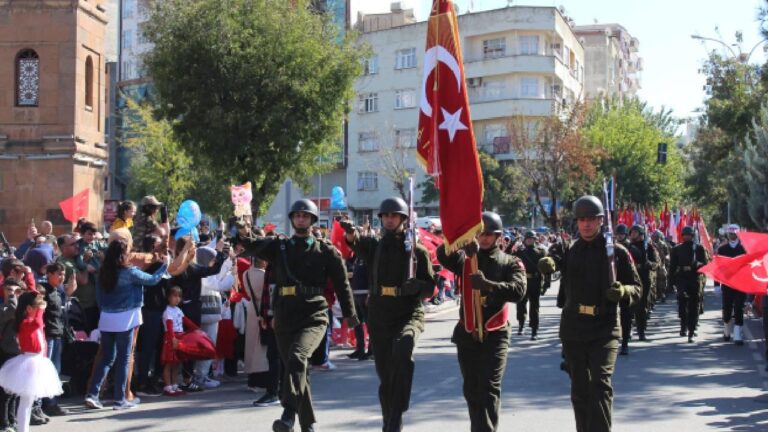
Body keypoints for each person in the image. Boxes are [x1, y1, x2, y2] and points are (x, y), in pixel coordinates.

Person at [238, 199, 358, 432]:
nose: (301, 219)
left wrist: (350, 315)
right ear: (292, 219)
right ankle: (308, 425)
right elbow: (252, 246)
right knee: (297, 369)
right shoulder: (279, 247)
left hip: (314, 312)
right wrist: (242, 229)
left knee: (297, 358)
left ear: (313, 220)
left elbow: (342, 285)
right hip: (284, 314)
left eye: (306, 216)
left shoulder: (326, 251)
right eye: (297, 215)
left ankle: (288, 414)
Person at [538, 195, 641, 432]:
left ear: (600, 220)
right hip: (574, 328)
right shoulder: (568, 249)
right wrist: (548, 264)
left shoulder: (616, 252)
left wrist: (624, 290)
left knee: (600, 385)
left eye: (591, 219)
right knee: (580, 389)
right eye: (582, 219)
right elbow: (552, 259)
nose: (586, 224)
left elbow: (637, 288)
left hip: (604, 329)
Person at [340, 197, 434, 432]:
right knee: (386, 376)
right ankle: (390, 419)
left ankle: (396, 415)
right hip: (380, 312)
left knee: (403, 349)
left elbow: (430, 287)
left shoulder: (417, 251)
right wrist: (351, 233)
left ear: (403, 218)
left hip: (408, 311)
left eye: (395, 215)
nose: (390, 219)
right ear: (381, 218)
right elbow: (356, 243)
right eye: (386, 215)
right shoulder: (374, 246)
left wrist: (417, 287)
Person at [436, 211, 527, 432]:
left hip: (495, 334)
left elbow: (519, 291)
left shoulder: (510, 262)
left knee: (488, 389)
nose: (484, 238)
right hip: (468, 333)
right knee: (472, 390)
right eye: (480, 234)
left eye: (488, 234)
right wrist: (459, 244)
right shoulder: (466, 259)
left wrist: (489, 285)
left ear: (498, 237)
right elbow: (441, 253)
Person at [84, 238, 168, 410]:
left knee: (107, 358)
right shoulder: (129, 272)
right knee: (123, 358)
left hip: (107, 317)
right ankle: (119, 400)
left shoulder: (103, 272)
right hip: (126, 317)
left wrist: (106, 311)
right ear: (123, 254)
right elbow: (152, 280)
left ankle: (93, 394)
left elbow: (99, 298)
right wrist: (164, 265)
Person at [0, 291, 63, 432]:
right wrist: (40, 309)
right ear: (29, 308)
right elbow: (38, 322)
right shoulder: (27, 323)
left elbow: (42, 341)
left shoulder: (34, 324)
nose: (42, 309)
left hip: (37, 361)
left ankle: (24, 428)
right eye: (39, 307)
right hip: (29, 363)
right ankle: (23, 429)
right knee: (25, 403)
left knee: (28, 402)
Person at [668, 226, 710, 343]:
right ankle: (683, 325)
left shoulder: (699, 248)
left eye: (689, 235)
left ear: (693, 236)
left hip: (694, 278)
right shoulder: (677, 249)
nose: (687, 237)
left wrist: (694, 265)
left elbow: (705, 264)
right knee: (682, 300)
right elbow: (672, 266)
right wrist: (670, 282)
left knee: (694, 305)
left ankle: (691, 331)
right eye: (685, 235)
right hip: (681, 278)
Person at [39, 263, 70, 417]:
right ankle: (42, 405)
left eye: (63, 274)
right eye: (59, 274)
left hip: (58, 334)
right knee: (45, 371)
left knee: (55, 371)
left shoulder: (59, 291)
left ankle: (51, 403)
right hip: (47, 335)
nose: (61, 277)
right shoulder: (43, 290)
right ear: (49, 274)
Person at [628, 225, 659, 349]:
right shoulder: (627, 246)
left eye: (635, 232)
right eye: (632, 232)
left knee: (642, 306)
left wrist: (648, 264)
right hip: (630, 279)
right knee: (629, 306)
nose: (633, 234)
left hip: (644, 279)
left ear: (641, 234)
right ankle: (628, 331)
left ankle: (641, 332)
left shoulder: (649, 247)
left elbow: (656, 263)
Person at [513, 230, 548, 340]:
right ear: (524, 240)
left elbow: (546, 268)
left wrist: (546, 285)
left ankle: (534, 330)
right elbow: (509, 257)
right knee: (521, 305)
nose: (529, 240)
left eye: (531, 238)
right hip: (523, 281)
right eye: (527, 238)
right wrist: (513, 242)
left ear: (535, 239)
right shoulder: (519, 251)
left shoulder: (541, 252)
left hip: (535, 281)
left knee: (535, 307)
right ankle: (521, 325)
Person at [717, 224, 747, 345]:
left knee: (739, 307)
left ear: (738, 234)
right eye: (730, 234)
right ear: (727, 235)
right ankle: (726, 329)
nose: (732, 236)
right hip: (727, 283)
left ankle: (738, 334)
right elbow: (717, 268)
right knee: (727, 308)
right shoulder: (722, 249)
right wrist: (716, 285)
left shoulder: (744, 249)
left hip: (741, 283)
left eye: (734, 234)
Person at [0, 279, 22, 432]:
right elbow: (11, 311)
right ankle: (4, 422)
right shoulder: (4, 308)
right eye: (8, 290)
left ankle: (13, 419)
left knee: (15, 390)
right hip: (6, 350)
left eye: (15, 291)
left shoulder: (22, 307)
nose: (11, 294)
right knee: (5, 390)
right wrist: (13, 296)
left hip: (18, 351)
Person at [161, 286, 188, 396]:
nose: (177, 299)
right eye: (174, 296)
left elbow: (186, 321)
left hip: (180, 337)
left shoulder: (179, 310)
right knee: (169, 362)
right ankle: (168, 386)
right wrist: (173, 339)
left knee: (177, 363)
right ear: (168, 297)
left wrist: (197, 329)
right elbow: (169, 326)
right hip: (170, 338)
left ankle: (175, 384)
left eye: (179, 296)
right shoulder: (167, 311)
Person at [651, 231, 670, 303]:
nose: (655, 237)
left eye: (657, 236)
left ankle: (662, 293)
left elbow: (667, 254)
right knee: (654, 281)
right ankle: (655, 296)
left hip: (661, 264)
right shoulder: (651, 244)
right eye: (654, 236)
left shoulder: (663, 244)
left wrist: (666, 259)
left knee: (663, 278)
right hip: (654, 265)